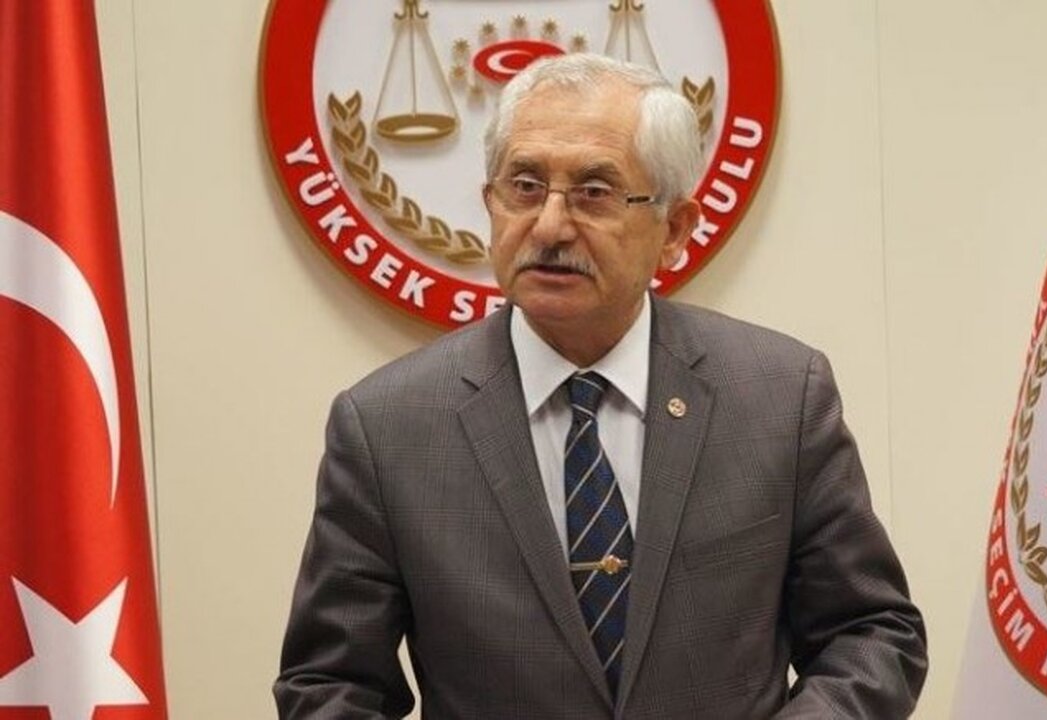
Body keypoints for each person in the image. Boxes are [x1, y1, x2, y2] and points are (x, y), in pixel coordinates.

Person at [274, 53, 927, 719]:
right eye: (525, 186)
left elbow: (871, 633)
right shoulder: (387, 427)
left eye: (594, 192)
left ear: (673, 230)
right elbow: (330, 685)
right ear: (491, 203)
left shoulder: (780, 396)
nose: (550, 226)